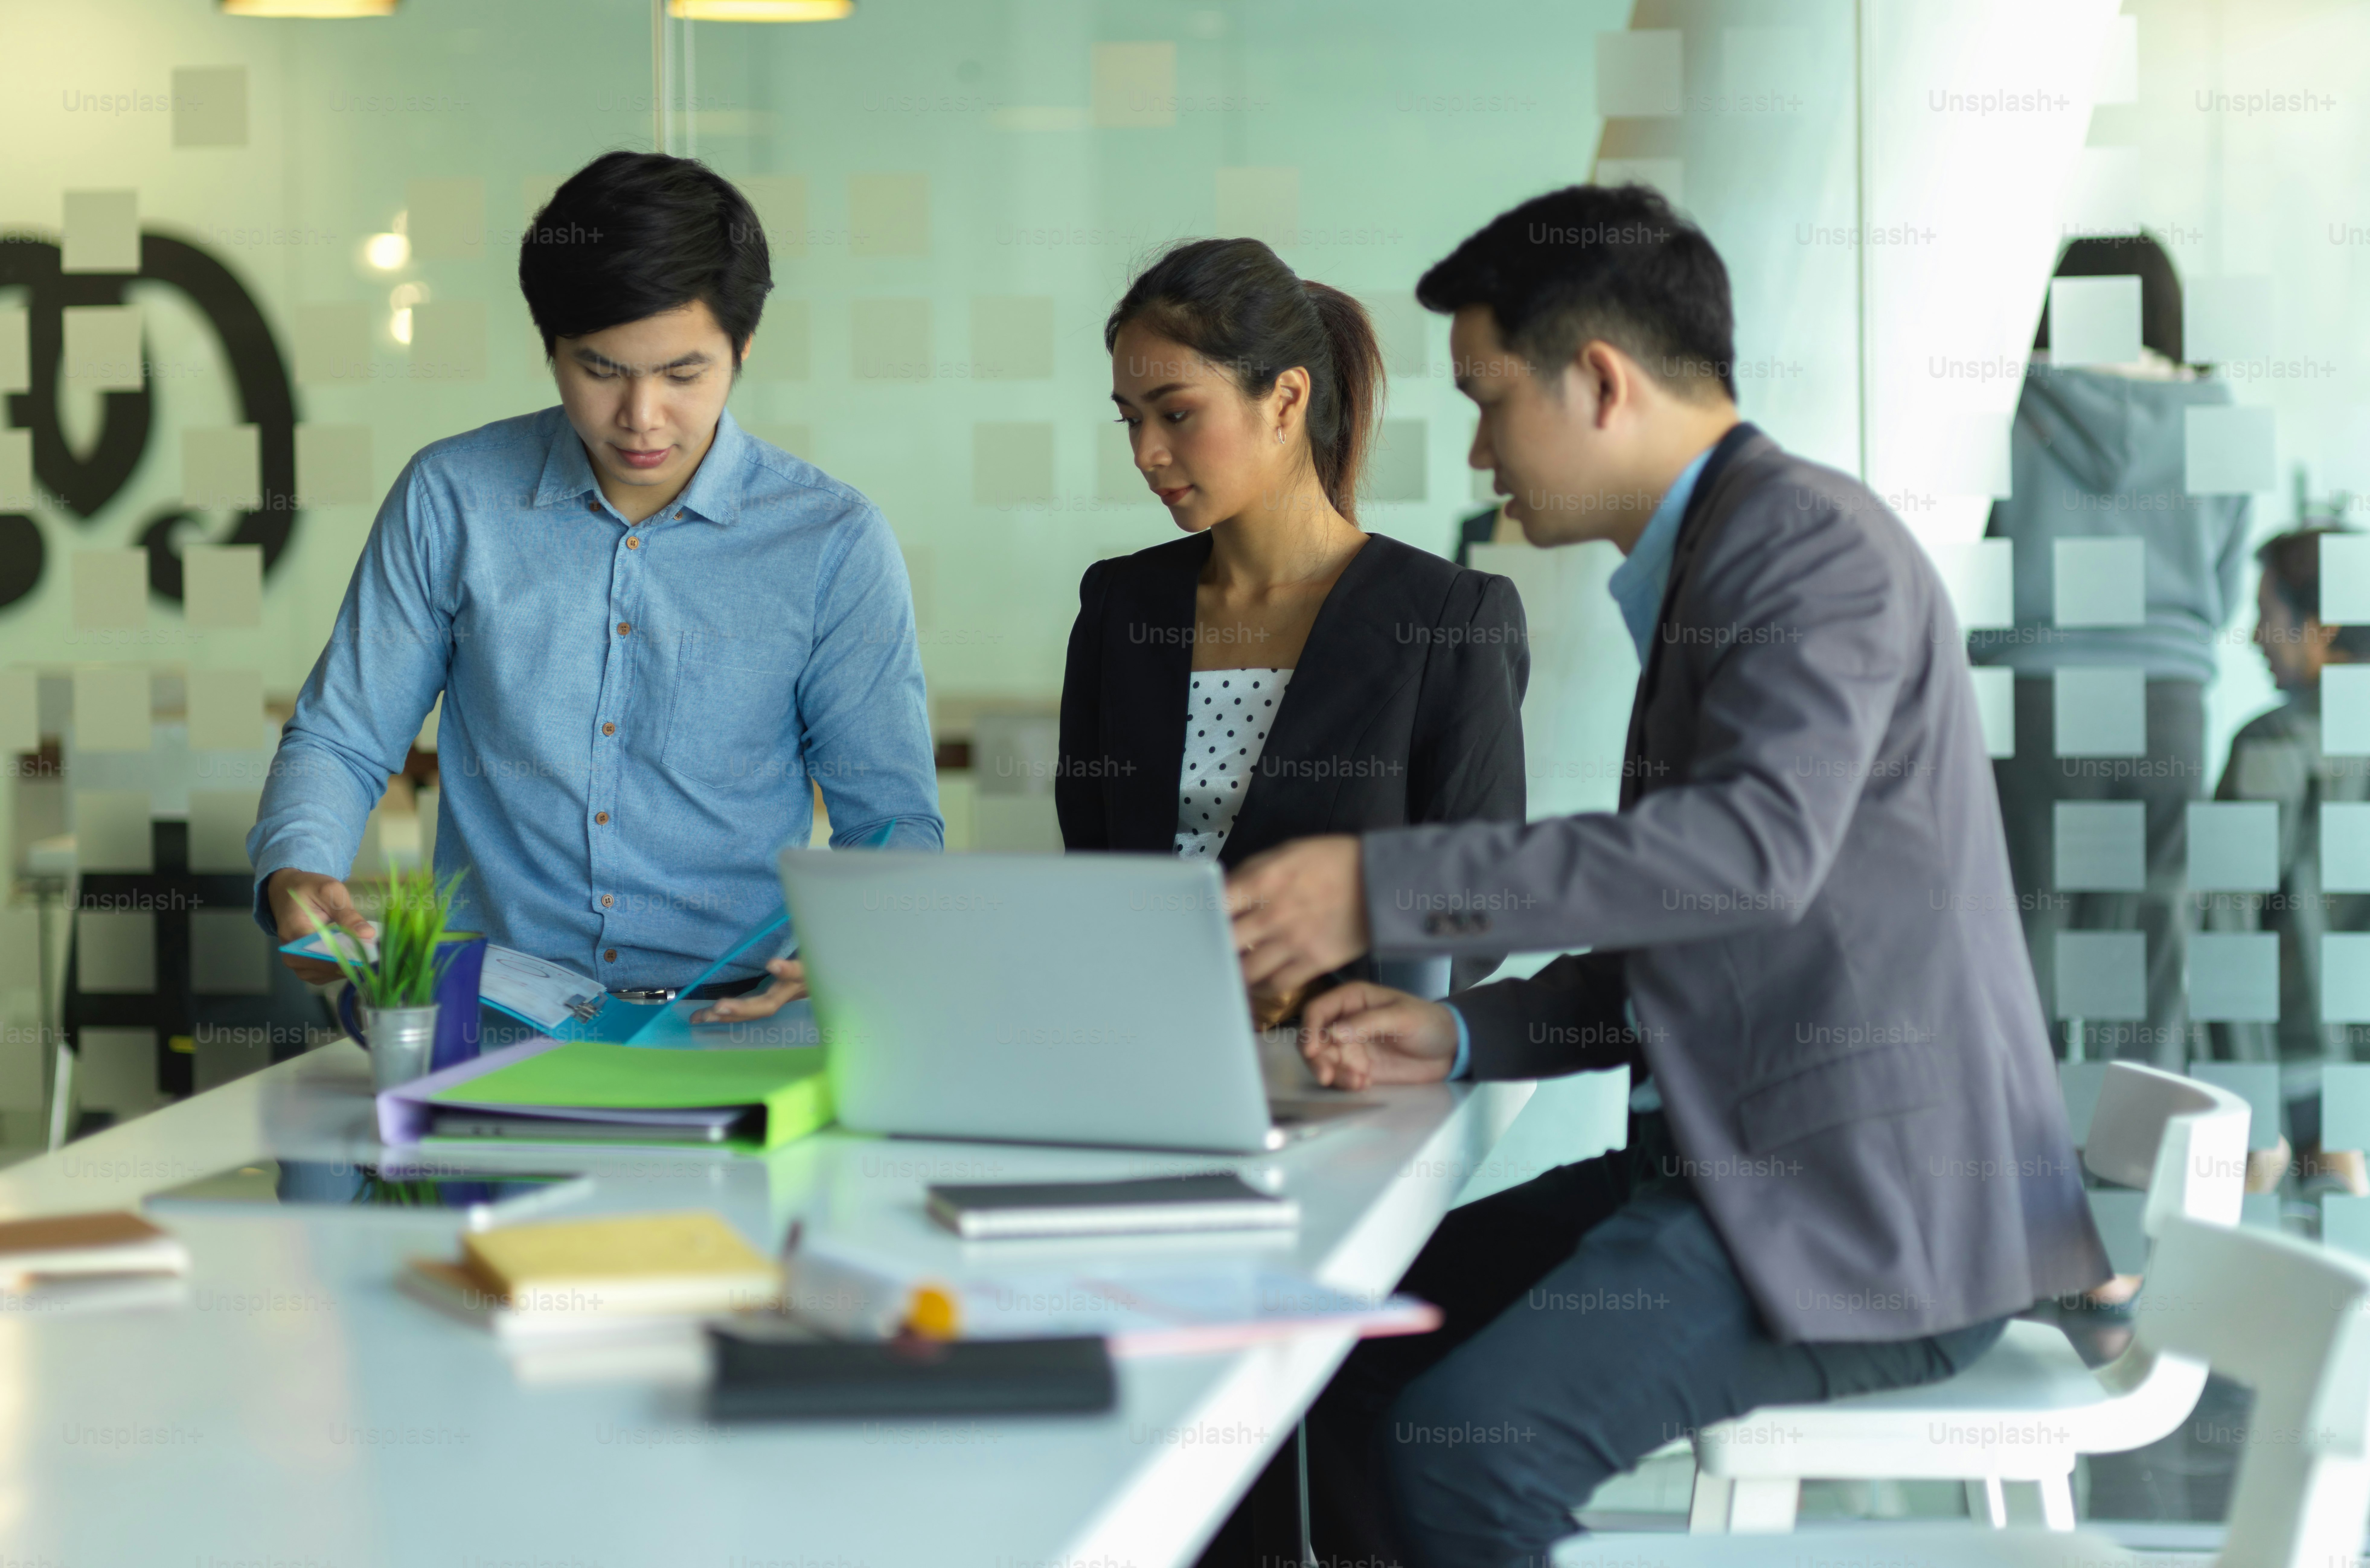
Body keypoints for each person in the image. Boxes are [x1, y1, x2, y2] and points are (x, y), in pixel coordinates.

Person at [1217, 184, 2109, 1567]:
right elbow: (1689, 931)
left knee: (1466, 1464)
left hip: (1857, 1208)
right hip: (1733, 1173)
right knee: (1344, 1349)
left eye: (1486, 397)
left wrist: (1377, 888)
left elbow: (1742, 858)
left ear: (1597, 381)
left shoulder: (1804, 552)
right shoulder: (1716, 561)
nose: (1474, 448)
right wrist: (1465, 1030)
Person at [248, 151, 940, 1012]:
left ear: (744, 347)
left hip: (740, 1018)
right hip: (495, 1013)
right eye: (602, 370)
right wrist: (298, 871)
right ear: (551, 348)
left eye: (684, 374)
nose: (642, 416)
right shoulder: (454, 499)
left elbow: (889, 816)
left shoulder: (831, 540)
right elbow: (343, 736)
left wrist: (854, 942)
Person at [1058, 238, 1528, 1020]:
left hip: (1339, 1069)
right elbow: (1091, 871)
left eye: (1177, 413)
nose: (1146, 452)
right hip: (1142, 1046)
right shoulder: (1120, 604)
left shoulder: (1450, 619)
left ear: (1284, 401)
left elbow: (1478, 905)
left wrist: (1310, 981)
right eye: (1131, 420)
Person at [1971, 234, 2252, 1090]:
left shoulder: (2018, 403)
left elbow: (1978, 552)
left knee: (2032, 931)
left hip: (2037, 692)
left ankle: (2020, 1168)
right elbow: (2227, 579)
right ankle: (2132, 1184)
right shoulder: (2222, 416)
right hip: (2170, 694)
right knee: (2151, 937)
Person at [2198, 525, 2370, 1196]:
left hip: (2289, 1072)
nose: (2255, 636)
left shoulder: (2273, 741)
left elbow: (2222, 924)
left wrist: (2247, 1100)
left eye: (2266, 614)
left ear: (2321, 630)